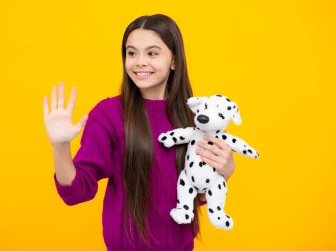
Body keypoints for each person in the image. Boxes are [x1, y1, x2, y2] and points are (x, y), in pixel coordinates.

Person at [43, 14, 236, 251]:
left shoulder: (196, 118)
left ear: (174, 60)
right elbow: (76, 193)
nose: (139, 62)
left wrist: (224, 172)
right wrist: (60, 146)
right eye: (131, 53)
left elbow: (197, 193)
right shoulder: (108, 115)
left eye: (152, 53)